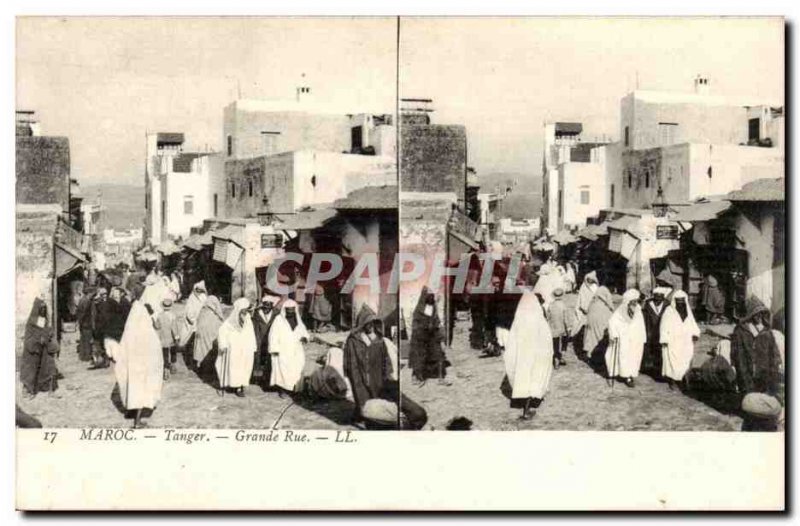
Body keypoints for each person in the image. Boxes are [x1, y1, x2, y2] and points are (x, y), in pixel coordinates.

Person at [106, 283, 164, 428]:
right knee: (141, 387)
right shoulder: (142, 310)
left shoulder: (135, 309)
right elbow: (149, 331)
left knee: (133, 385)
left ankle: (131, 411)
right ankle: (137, 422)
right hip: (141, 355)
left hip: (133, 353)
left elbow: (129, 332)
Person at [731, 297, 782, 431]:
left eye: (761, 314)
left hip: (763, 368)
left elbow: (773, 350)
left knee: (764, 393)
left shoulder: (766, 331)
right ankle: (749, 413)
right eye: (756, 314)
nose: (758, 317)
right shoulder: (741, 331)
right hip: (746, 367)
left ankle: (760, 414)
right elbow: (736, 352)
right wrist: (737, 366)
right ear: (751, 315)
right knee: (748, 391)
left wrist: (776, 363)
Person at [502, 291, 554, 420]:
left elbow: (512, 341)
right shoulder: (538, 319)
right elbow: (547, 338)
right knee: (533, 379)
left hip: (521, 357)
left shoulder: (519, 319)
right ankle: (527, 410)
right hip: (536, 355)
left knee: (523, 378)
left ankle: (522, 401)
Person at [215, 298, 257, 397]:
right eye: (243, 310)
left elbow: (251, 334)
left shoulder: (248, 320)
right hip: (234, 350)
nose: (246, 313)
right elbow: (222, 333)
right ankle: (234, 385)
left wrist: (252, 347)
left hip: (245, 349)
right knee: (234, 368)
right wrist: (223, 344)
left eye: (246, 310)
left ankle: (240, 387)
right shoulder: (229, 322)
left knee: (244, 367)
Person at [659, 290, 700, 389]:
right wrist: (664, 339)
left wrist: (695, 333)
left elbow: (692, 323)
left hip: (686, 341)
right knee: (673, 361)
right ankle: (672, 380)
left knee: (685, 360)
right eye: (678, 301)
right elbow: (663, 326)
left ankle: (683, 379)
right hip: (673, 341)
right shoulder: (669, 311)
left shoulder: (688, 311)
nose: (680, 303)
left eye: (682, 301)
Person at [409, 288, 450, 385]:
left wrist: (440, 336)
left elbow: (437, 320)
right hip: (420, 336)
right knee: (418, 355)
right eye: (429, 296)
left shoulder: (433, 307)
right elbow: (416, 325)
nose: (431, 297)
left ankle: (441, 378)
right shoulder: (419, 308)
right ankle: (416, 376)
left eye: (432, 296)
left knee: (439, 354)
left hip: (432, 335)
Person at [606, 289, 647, 388]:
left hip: (634, 339)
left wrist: (642, 337)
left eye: (636, 301)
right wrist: (614, 334)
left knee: (633, 358)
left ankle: (629, 376)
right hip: (622, 338)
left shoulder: (638, 309)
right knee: (621, 357)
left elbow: (641, 324)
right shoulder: (620, 311)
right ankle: (613, 374)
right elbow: (612, 322)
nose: (635, 303)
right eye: (632, 301)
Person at [20, 299, 60, 397]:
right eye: (41, 308)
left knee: (49, 366)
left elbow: (47, 332)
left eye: (44, 308)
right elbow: (29, 337)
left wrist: (47, 338)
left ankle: (50, 390)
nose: (43, 310)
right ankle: (27, 390)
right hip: (33, 349)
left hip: (43, 347)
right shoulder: (31, 321)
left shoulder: (44, 320)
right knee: (30, 370)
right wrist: (37, 340)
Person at [268, 299, 308, 397]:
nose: (290, 312)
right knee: (283, 370)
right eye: (288, 310)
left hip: (296, 350)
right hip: (283, 350)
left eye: (292, 310)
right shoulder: (278, 320)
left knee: (297, 368)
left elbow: (304, 331)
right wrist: (274, 348)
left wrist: (305, 338)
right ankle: (283, 390)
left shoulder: (298, 320)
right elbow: (273, 335)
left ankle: (295, 389)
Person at [251, 294, 280, 388]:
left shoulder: (276, 314)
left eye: (268, 308)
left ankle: (267, 377)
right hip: (259, 338)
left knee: (269, 357)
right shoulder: (257, 314)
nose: (266, 310)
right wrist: (256, 340)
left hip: (270, 339)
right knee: (258, 357)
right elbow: (254, 328)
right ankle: (256, 378)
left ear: (272, 307)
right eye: (264, 308)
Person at [192, 295, 225, 372]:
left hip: (201, 337)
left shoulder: (202, 312)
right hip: (209, 339)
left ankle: (200, 365)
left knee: (201, 350)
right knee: (209, 350)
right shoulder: (214, 317)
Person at [583, 286, 614, 363]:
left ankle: (589, 354)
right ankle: (597, 357)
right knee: (598, 338)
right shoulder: (604, 307)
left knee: (591, 338)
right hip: (599, 325)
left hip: (591, 324)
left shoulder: (592, 303)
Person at [642, 287, 669, 377]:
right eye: (656, 298)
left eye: (660, 298)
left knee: (660, 350)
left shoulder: (667, 305)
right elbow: (644, 318)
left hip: (662, 330)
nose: (657, 301)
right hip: (650, 330)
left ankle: (660, 368)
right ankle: (648, 367)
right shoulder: (648, 304)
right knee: (649, 348)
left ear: (663, 297)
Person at [548, 287, 575, 369]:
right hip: (562, 328)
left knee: (555, 344)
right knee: (563, 343)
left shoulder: (551, 305)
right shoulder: (564, 306)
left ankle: (557, 357)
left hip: (553, 328)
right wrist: (569, 328)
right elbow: (566, 319)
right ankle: (560, 357)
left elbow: (548, 317)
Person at [156, 298, 180, 380]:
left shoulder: (159, 315)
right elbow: (174, 328)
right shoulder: (172, 316)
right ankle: (173, 365)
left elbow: (157, 327)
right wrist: (177, 337)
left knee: (165, 354)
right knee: (173, 351)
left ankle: (165, 370)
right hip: (171, 337)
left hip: (162, 338)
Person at [178, 280, 207, 349]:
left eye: (200, 290)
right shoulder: (192, 297)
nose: (199, 292)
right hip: (192, 320)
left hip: (200, 320)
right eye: (197, 290)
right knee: (188, 336)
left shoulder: (203, 297)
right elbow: (189, 311)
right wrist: (193, 320)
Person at [90, 287, 111, 370]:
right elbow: (93, 315)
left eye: (105, 294)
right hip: (98, 327)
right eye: (103, 294)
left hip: (103, 327)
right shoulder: (96, 303)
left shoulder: (104, 303)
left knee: (103, 344)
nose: (104, 296)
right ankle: (101, 360)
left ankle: (104, 361)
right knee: (99, 344)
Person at [75, 287, 96, 362]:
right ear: (89, 293)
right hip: (87, 324)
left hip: (84, 324)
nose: (93, 295)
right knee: (87, 340)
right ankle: (86, 356)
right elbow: (84, 313)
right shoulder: (86, 301)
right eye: (92, 294)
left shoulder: (82, 300)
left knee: (84, 340)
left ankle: (83, 356)